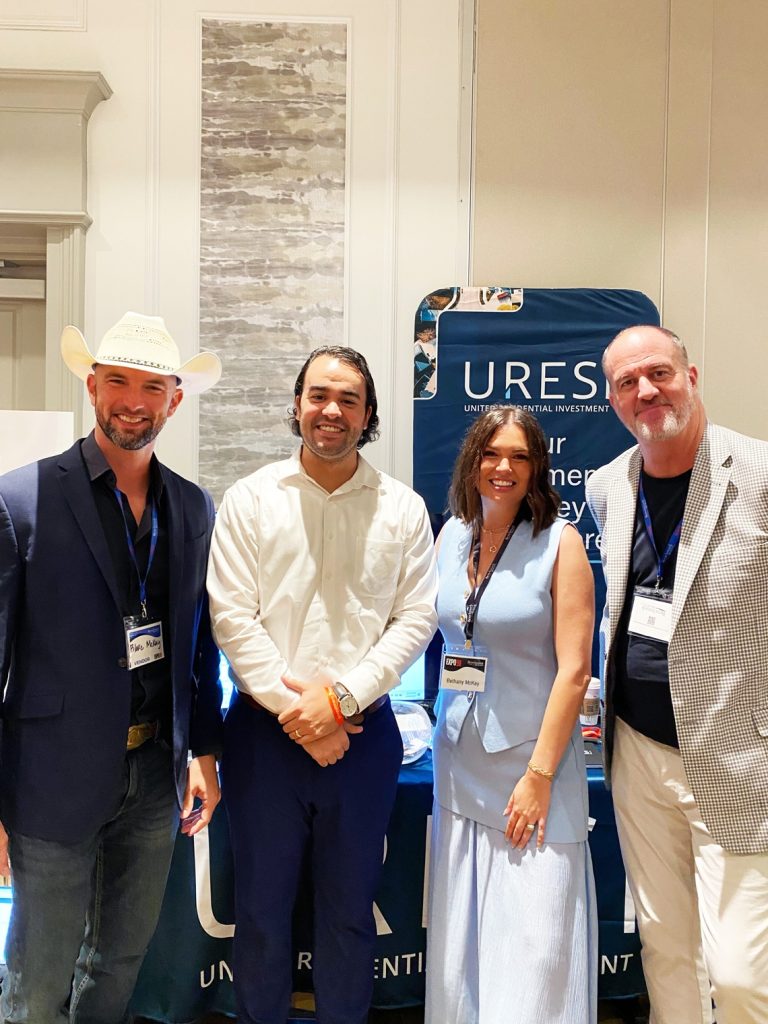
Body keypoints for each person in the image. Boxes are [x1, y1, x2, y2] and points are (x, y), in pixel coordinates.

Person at [0, 311, 223, 1024]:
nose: (134, 401)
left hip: (155, 776)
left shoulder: (192, 506)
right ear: (92, 386)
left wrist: (202, 749)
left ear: (174, 401)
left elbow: (199, 644)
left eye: (152, 387)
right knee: (38, 982)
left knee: (120, 962)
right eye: (118, 381)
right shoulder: (21, 500)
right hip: (50, 777)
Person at [206, 345, 438, 1024]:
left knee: (349, 914)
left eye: (348, 399)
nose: (331, 411)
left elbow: (415, 618)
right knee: (260, 913)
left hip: (362, 737)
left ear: (367, 415)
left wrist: (338, 702)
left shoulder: (402, 508)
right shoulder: (250, 499)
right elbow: (232, 617)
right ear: (298, 404)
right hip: (262, 739)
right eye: (318, 395)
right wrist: (299, 713)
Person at [586, 324, 768, 1024]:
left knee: (742, 976)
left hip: (738, 755)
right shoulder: (609, 486)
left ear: (690, 377)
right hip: (638, 751)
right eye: (627, 382)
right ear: (612, 399)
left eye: (658, 373)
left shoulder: (757, 473)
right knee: (666, 951)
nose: (645, 391)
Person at [426, 406, 597, 1024]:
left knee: (533, 952)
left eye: (519, 456)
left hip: (531, 773)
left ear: (537, 468)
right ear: (472, 461)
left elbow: (574, 672)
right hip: (458, 764)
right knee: (463, 956)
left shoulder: (560, 544)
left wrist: (539, 777)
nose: (503, 467)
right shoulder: (452, 535)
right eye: (492, 453)